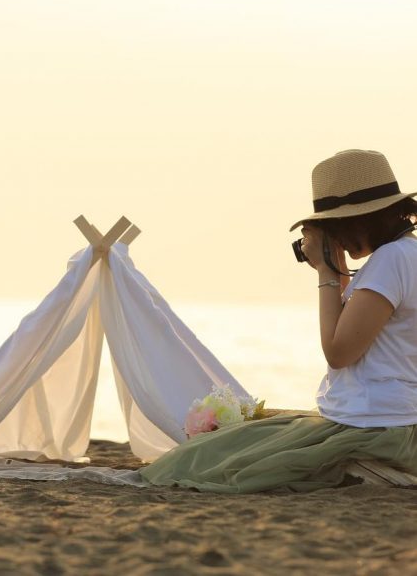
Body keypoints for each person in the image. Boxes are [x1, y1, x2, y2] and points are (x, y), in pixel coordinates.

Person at [140, 149, 417, 493]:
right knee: (228, 446)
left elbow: (339, 352)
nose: (336, 239)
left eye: (334, 227)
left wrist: (326, 272)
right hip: (385, 419)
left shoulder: (391, 260)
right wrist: (335, 271)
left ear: (359, 219)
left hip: (373, 426)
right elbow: (355, 333)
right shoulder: (405, 255)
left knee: (206, 459)